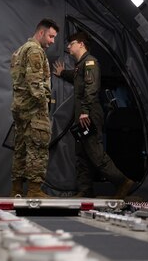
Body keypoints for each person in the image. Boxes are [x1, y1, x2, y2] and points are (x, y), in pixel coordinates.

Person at [53, 31, 135, 198]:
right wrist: (63, 73)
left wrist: (85, 111)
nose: (69, 46)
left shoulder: (90, 62)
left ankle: (123, 182)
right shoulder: (80, 66)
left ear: (81, 44)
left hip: (89, 114)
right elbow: (78, 78)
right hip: (82, 116)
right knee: (81, 154)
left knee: (95, 153)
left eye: (72, 43)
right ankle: (85, 190)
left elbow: (91, 87)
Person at [10, 18, 59, 198]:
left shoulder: (20, 50)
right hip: (34, 109)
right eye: (51, 36)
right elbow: (35, 83)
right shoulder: (35, 51)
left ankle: (16, 190)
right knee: (37, 147)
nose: (53, 41)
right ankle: (34, 191)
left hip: (20, 108)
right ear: (41, 33)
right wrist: (44, 104)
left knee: (21, 149)